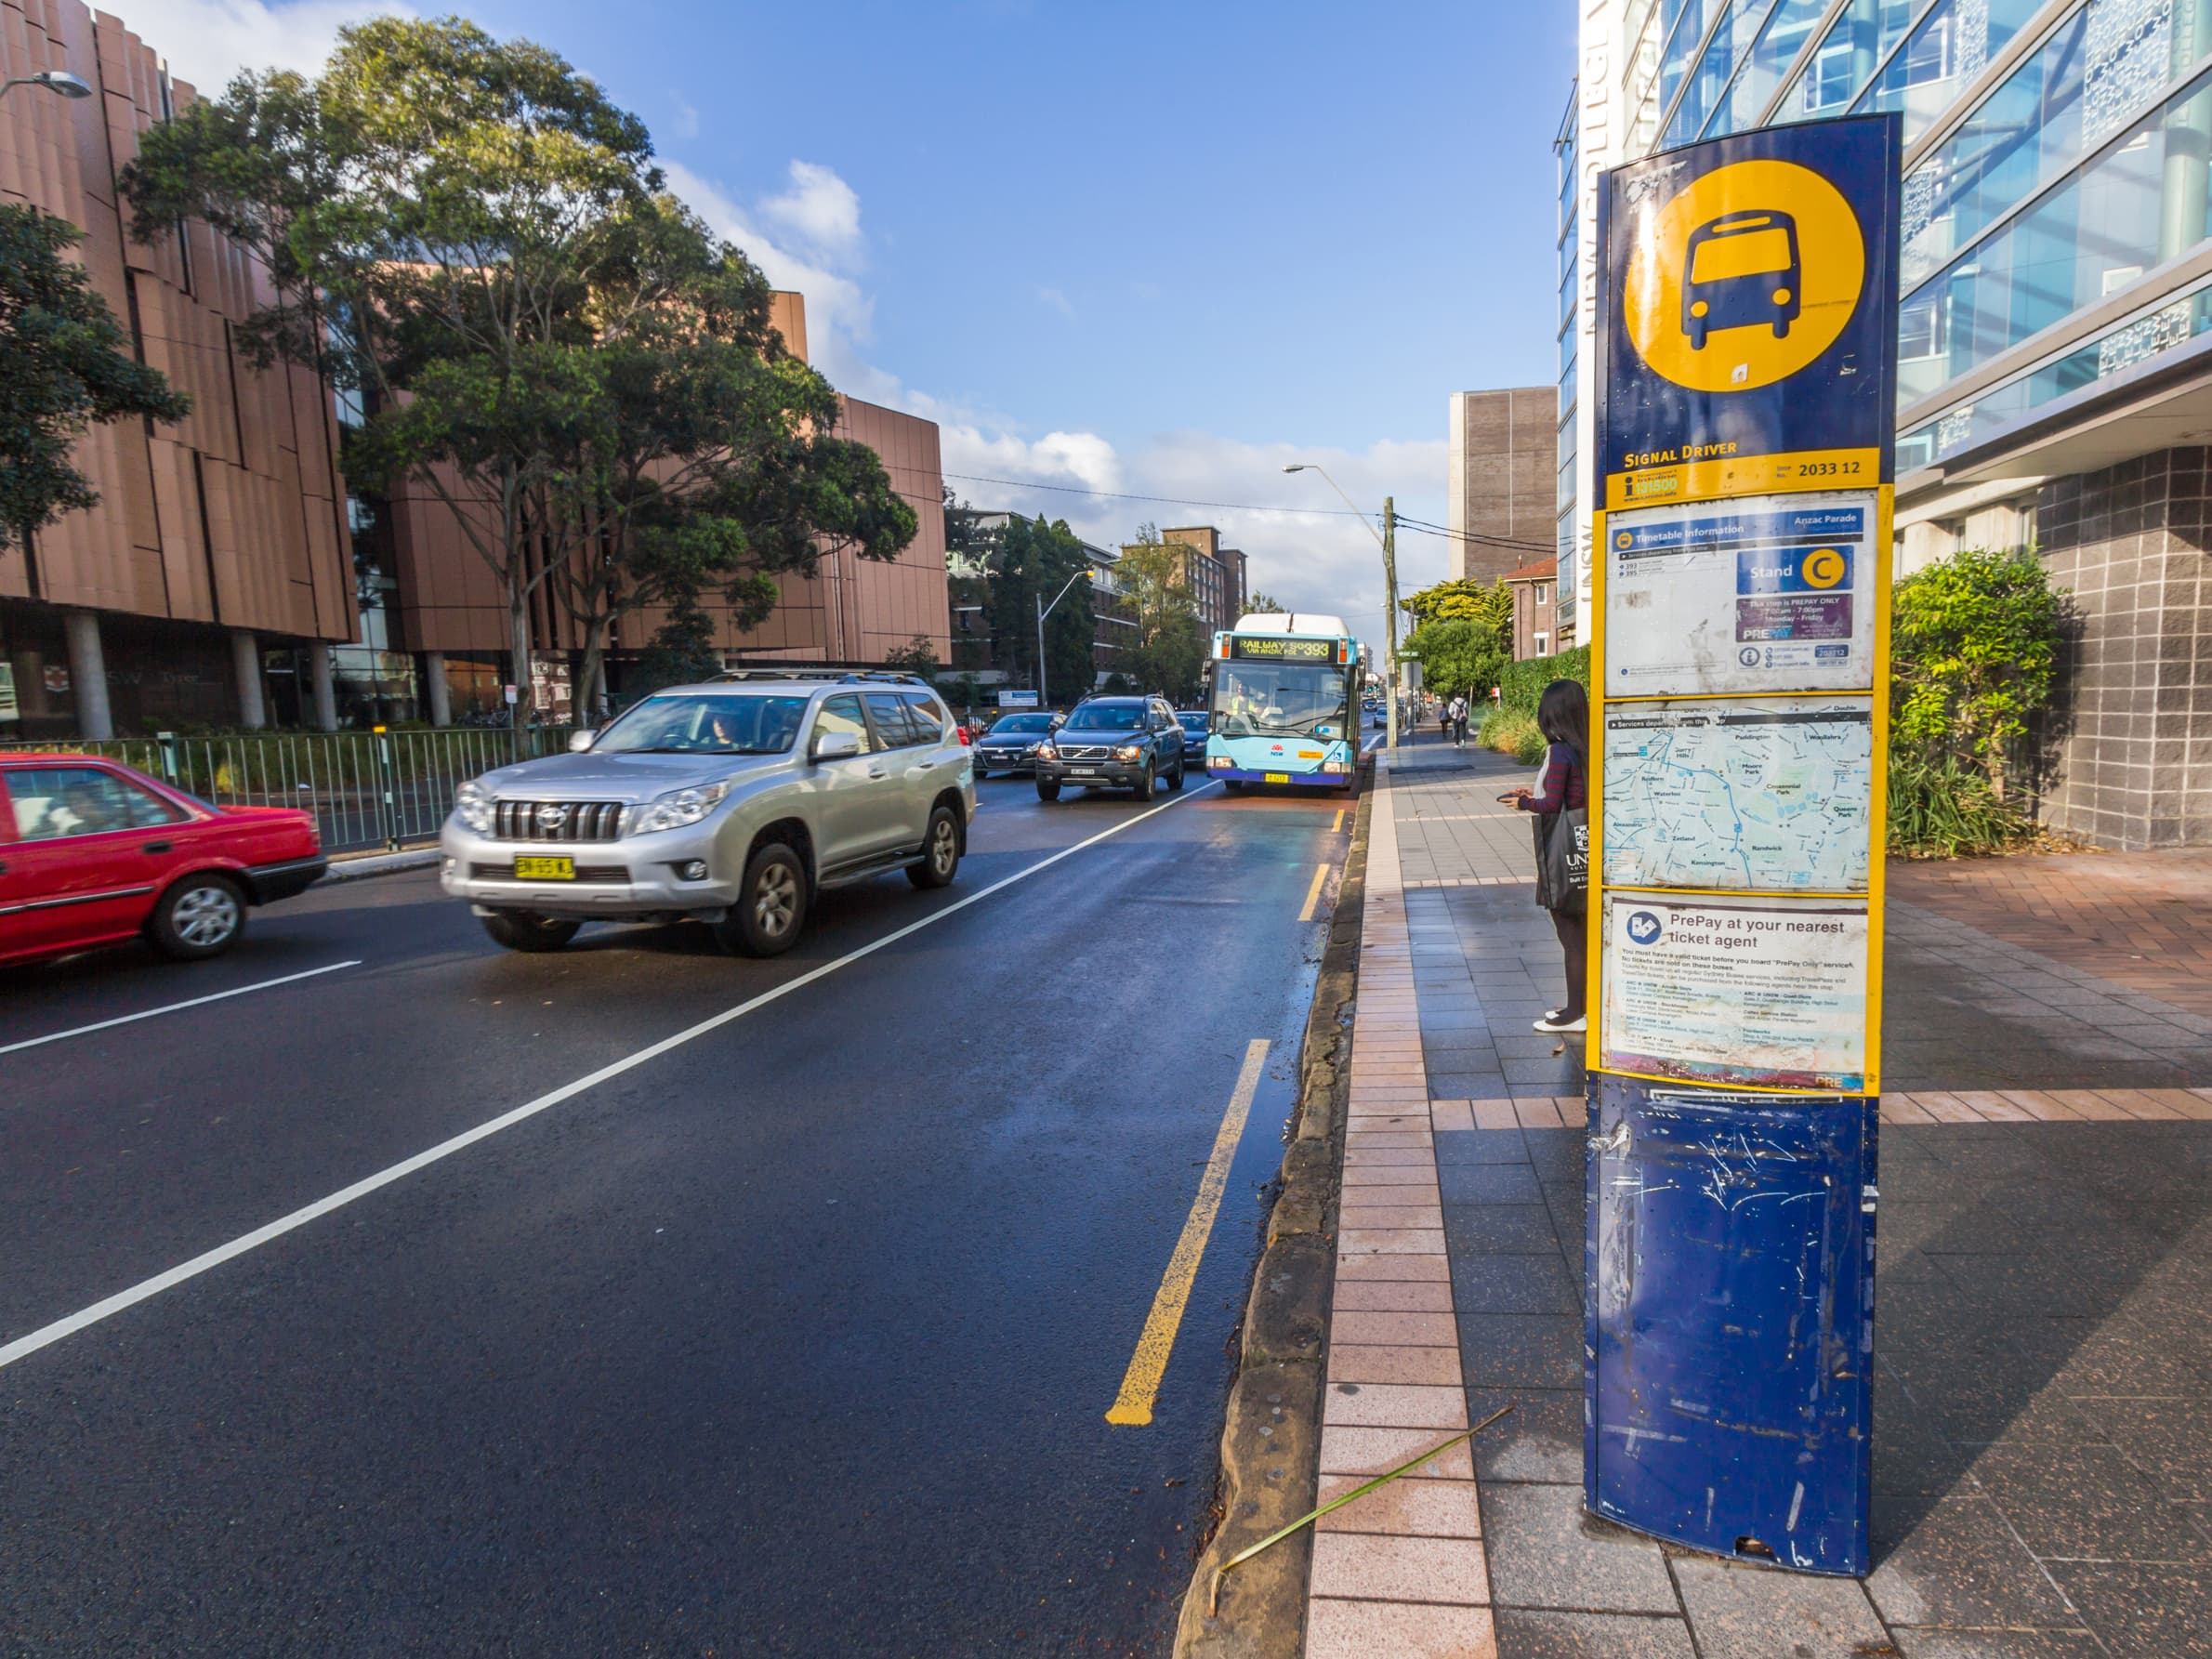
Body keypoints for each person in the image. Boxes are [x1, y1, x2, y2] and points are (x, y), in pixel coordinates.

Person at [1502, 678, 1589, 1034]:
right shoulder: (1586, 747)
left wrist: (1523, 803)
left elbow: (1552, 806)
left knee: (1571, 938)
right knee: (1583, 936)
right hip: (1586, 851)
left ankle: (1575, 1014)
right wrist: (1531, 793)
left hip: (1563, 856)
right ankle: (1580, 1006)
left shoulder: (1559, 751)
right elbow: (1570, 795)